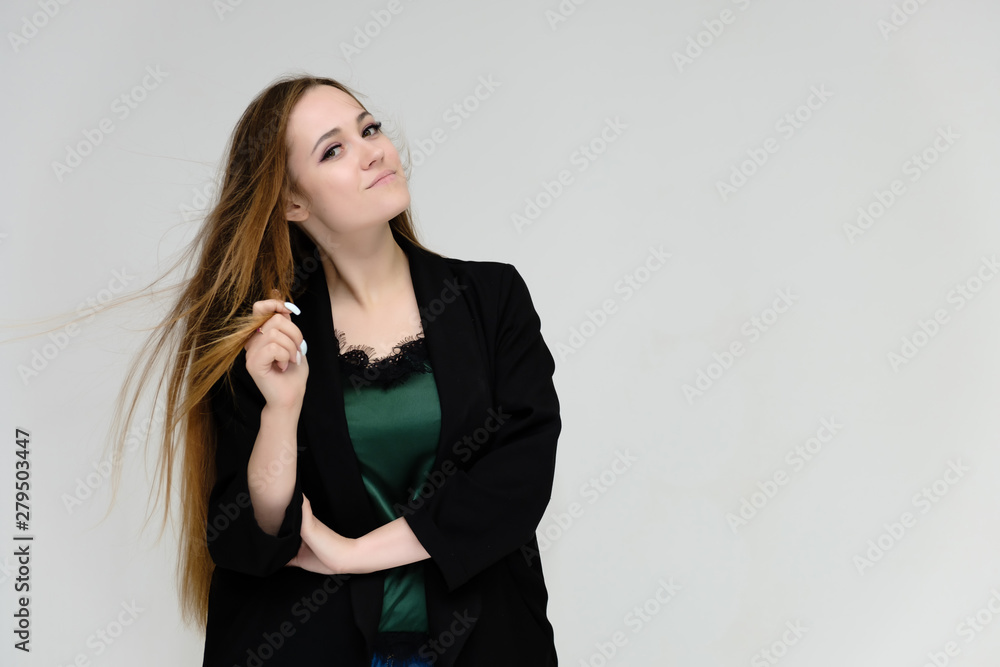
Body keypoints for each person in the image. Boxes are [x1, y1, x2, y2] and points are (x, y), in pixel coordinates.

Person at [107, 74, 561, 666]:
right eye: (333, 150)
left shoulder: (491, 296)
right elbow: (251, 534)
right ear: (292, 203)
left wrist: (352, 553)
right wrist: (281, 408)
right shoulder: (268, 335)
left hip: (483, 643)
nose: (373, 151)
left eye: (369, 129)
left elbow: (519, 476)